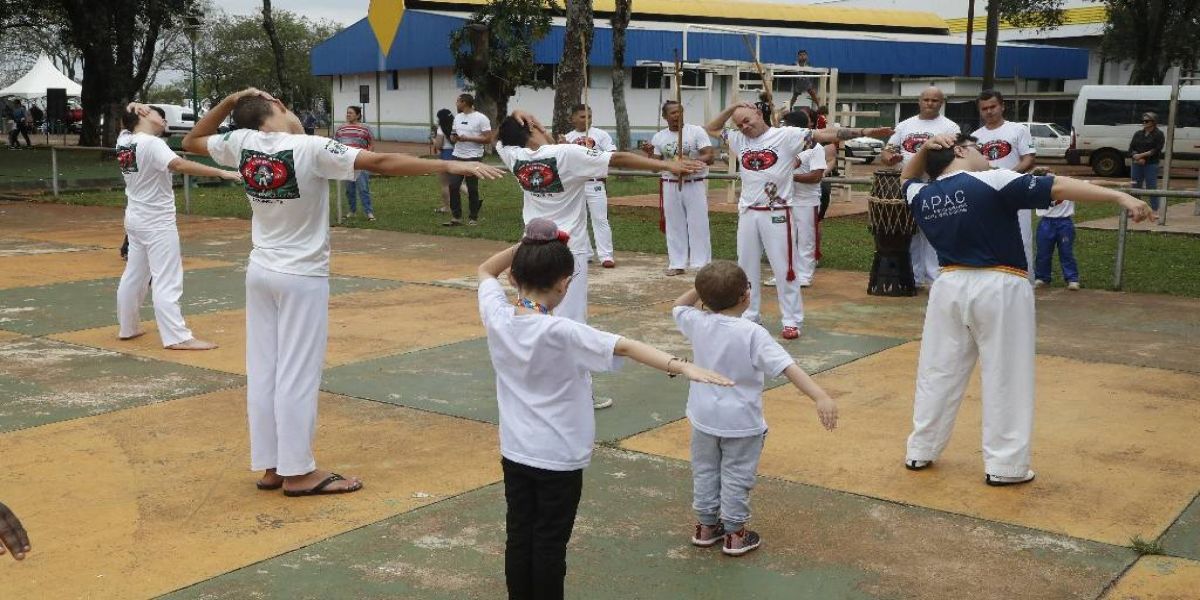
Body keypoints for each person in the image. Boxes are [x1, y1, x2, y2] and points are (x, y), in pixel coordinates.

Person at [183, 88, 506, 496]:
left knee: (264, 372)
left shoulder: (240, 142)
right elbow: (381, 161)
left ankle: (273, 467)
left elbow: (192, 140)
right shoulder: (309, 147)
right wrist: (450, 165)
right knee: (297, 373)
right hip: (301, 276)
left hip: (261, 271)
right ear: (277, 108)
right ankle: (298, 472)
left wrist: (231, 100)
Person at [478, 219, 733, 599]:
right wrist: (681, 365)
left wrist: (529, 244)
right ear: (564, 284)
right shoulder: (563, 332)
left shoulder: (498, 317)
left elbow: (485, 271)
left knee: (520, 536)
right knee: (549, 542)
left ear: (514, 278)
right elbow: (625, 346)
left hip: (515, 450)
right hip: (559, 457)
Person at [900, 133, 1152, 486]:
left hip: (949, 285)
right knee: (1006, 374)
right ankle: (1005, 465)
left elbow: (907, 177)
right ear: (959, 149)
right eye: (978, 148)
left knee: (938, 371)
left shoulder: (922, 194)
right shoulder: (993, 180)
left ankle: (921, 449)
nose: (986, 155)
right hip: (1000, 283)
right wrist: (1120, 196)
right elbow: (1058, 186)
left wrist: (926, 149)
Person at [497, 109, 704, 410]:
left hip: (529, 251)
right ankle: (578, 394)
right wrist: (666, 164)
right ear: (531, 128)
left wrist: (520, 118)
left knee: (532, 316)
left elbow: (500, 137)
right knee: (571, 324)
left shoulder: (512, 155)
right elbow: (618, 159)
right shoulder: (567, 153)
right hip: (566, 252)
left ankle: (532, 385)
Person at [673, 261, 836, 556]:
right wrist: (820, 396)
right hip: (741, 423)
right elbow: (787, 367)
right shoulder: (752, 333)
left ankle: (706, 527)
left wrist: (701, 289)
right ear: (745, 296)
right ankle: (735, 534)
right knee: (736, 475)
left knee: (705, 471)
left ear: (704, 299)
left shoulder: (697, 322)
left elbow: (679, 306)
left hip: (703, 418)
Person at [704, 101, 891, 340]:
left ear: (759, 114)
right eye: (739, 124)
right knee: (746, 266)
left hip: (777, 212)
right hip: (748, 212)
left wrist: (865, 132)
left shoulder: (786, 135)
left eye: (747, 121)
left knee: (785, 268)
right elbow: (711, 128)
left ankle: (791, 320)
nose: (744, 127)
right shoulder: (739, 139)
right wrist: (732, 108)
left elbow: (825, 134)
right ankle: (750, 315)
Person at [117, 103, 239, 351]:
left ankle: (128, 327)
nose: (163, 119)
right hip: (156, 221)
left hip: (136, 219)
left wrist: (132, 105)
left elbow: (124, 124)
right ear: (142, 115)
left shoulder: (124, 141)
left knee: (134, 275)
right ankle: (177, 336)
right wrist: (221, 172)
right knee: (167, 279)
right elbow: (179, 165)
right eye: (157, 114)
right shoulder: (152, 143)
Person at [880, 86, 961, 288]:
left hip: (937, 184)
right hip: (908, 184)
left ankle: (935, 280)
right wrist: (890, 158)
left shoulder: (950, 127)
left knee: (934, 231)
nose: (930, 103)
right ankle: (913, 277)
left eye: (935, 100)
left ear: (941, 103)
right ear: (919, 101)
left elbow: (957, 156)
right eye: (926, 99)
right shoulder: (905, 125)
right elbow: (887, 152)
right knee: (910, 231)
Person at [640, 100, 715, 276]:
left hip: (694, 183)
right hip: (670, 184)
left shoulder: (696, 131)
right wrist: (650, 154)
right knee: (674, 225)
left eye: (679, 111)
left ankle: (701, 264)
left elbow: (710, 156)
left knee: (698, 224)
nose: (677, 115)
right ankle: (677, 263)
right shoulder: (659, 137)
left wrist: (690, 162)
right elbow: (655, 167)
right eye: (673, 113)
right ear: (664, 116)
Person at [971, 90, 1036, 278]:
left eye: (993, 106)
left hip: (1016, 192)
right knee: (989, 239)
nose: (989, 111)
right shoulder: (974, 137)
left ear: (1002, 106)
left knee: (1022, 239)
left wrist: (1008, 177)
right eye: (984, 108)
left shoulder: (1018, 130)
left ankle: (1025, 281)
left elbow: (1029, 159)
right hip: (986, 196)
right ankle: (995, 281)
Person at [560, 104, 617, 268]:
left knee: (600, 219)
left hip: (595, 182)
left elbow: (612, 154)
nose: (587, 120)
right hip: (575, 184)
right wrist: (563, 146)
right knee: (578, 219)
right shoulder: (568, 137)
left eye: (589, 116)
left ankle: (606, 255)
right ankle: (585, 252)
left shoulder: (601, 135)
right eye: (583, 117)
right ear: (572, 119)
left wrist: (592, 154)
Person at [783, 110, 826, 288]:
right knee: (786, 239)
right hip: (785, 200)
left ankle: (804, 275)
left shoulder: (816, 148)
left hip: (807, 201)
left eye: (786, 125)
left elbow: (816, 176)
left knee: (806, 240)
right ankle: (787, 273)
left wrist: (788, 177)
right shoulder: (783, 146)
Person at [446, 93, 493, 226]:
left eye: (458, 101)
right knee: (453, 185)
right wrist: (454, 138)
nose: (456, 103)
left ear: (464, 102)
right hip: (457, 155)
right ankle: (456, 217)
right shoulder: (457, 117)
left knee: (472, 188)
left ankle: (473, 217)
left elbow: (488, 139)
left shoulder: (481, 118)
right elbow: (453, 135)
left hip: (473, 156)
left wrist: (468, 138)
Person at [1033, 169, 1080, 290]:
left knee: (1066, 252)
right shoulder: (1037, 186)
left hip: (1064, 223)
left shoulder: (1067, 185)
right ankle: (1042, 278)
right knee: (1043, 252)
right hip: (1046, 223)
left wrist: (1118, 183)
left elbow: (1092, 183)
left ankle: (1072, 279)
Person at [334, 106, 374, 221]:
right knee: (349, 189)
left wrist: (367, 156)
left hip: (361, 162)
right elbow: (336, 144)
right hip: (346, 163)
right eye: (347, 113)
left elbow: (371, 144)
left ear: (358, 115)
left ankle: (369, 212)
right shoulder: (341, 129)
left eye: (351, 113)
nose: (348, 115)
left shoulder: (365, 128)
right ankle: (352, 211)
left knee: (363, 188)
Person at [1129, 111, 1166, 211]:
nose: (1144, 123)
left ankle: (1154, 210)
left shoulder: (1159, 134)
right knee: (1135, 186)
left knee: (1151, 186)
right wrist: (1136, 156)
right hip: (1137, 163)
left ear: (1153, 122)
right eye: (1143, 121)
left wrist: (1142, 156)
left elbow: (1156, 149)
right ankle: (1136, 209)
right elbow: (1131, 148)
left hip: (1151, 164)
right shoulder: (1138, 133)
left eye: (1147, 121)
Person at [431, 108, 464, 215]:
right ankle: (474, 199)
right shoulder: (457, 125)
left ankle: (446, 207)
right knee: (458, 182)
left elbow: (439, 145)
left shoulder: (441, 129)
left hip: (446, 154)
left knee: (445, 183)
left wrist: (433, 139)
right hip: (458, 154)